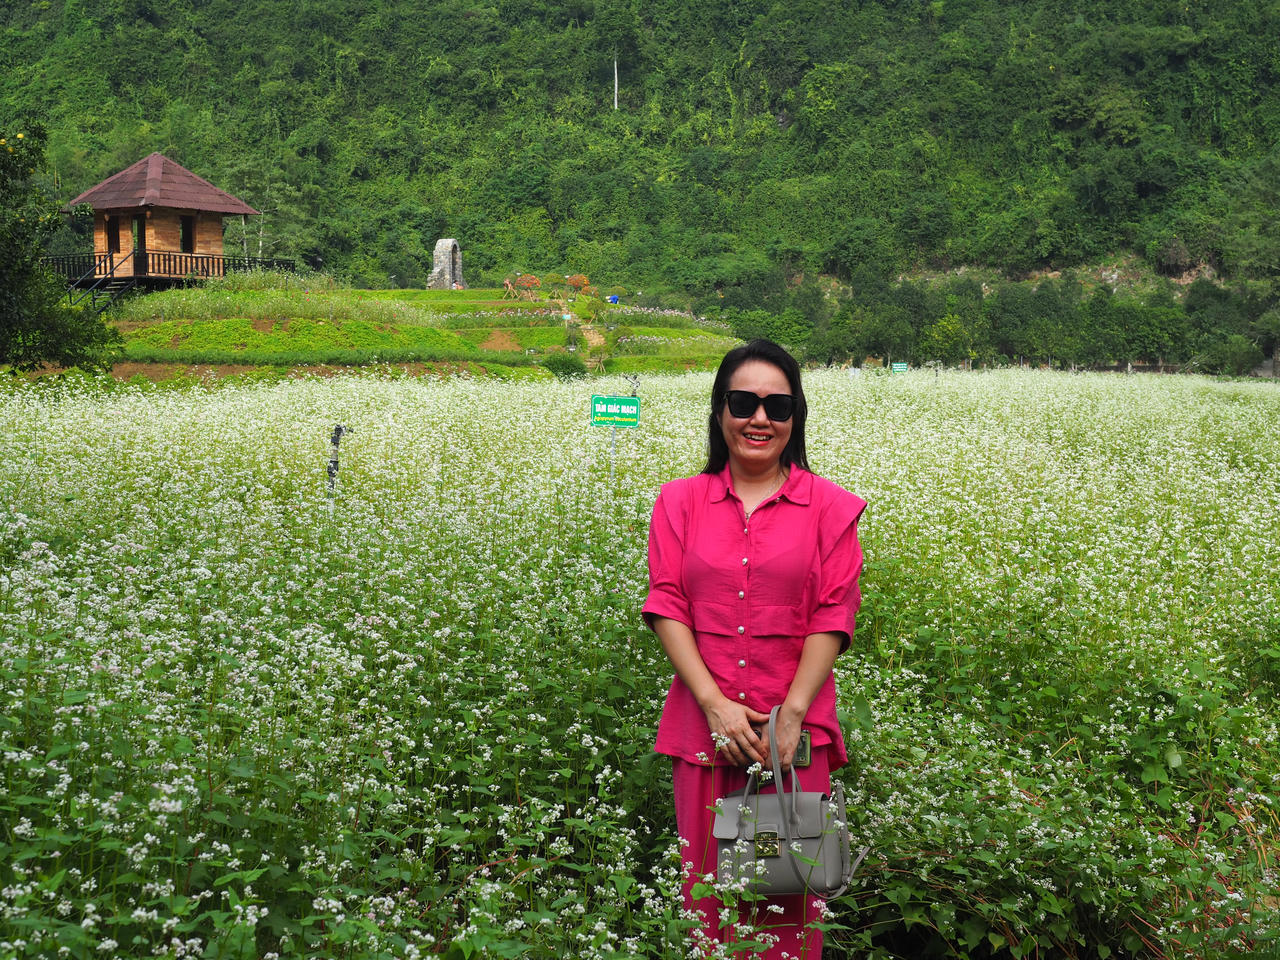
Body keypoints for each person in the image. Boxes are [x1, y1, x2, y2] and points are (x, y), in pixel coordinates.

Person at [642, 338, 866, 957]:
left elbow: (833, 612)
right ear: (720, 411)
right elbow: (667, 604)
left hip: (793, 744)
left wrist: (790, 715)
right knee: (707, 909)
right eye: (743, 402)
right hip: (704, 736)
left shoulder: (830, 507)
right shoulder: (679, 501)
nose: (759, 419)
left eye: (778, 406)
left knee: (786, 912)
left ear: (795, 418)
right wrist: (714, 704)